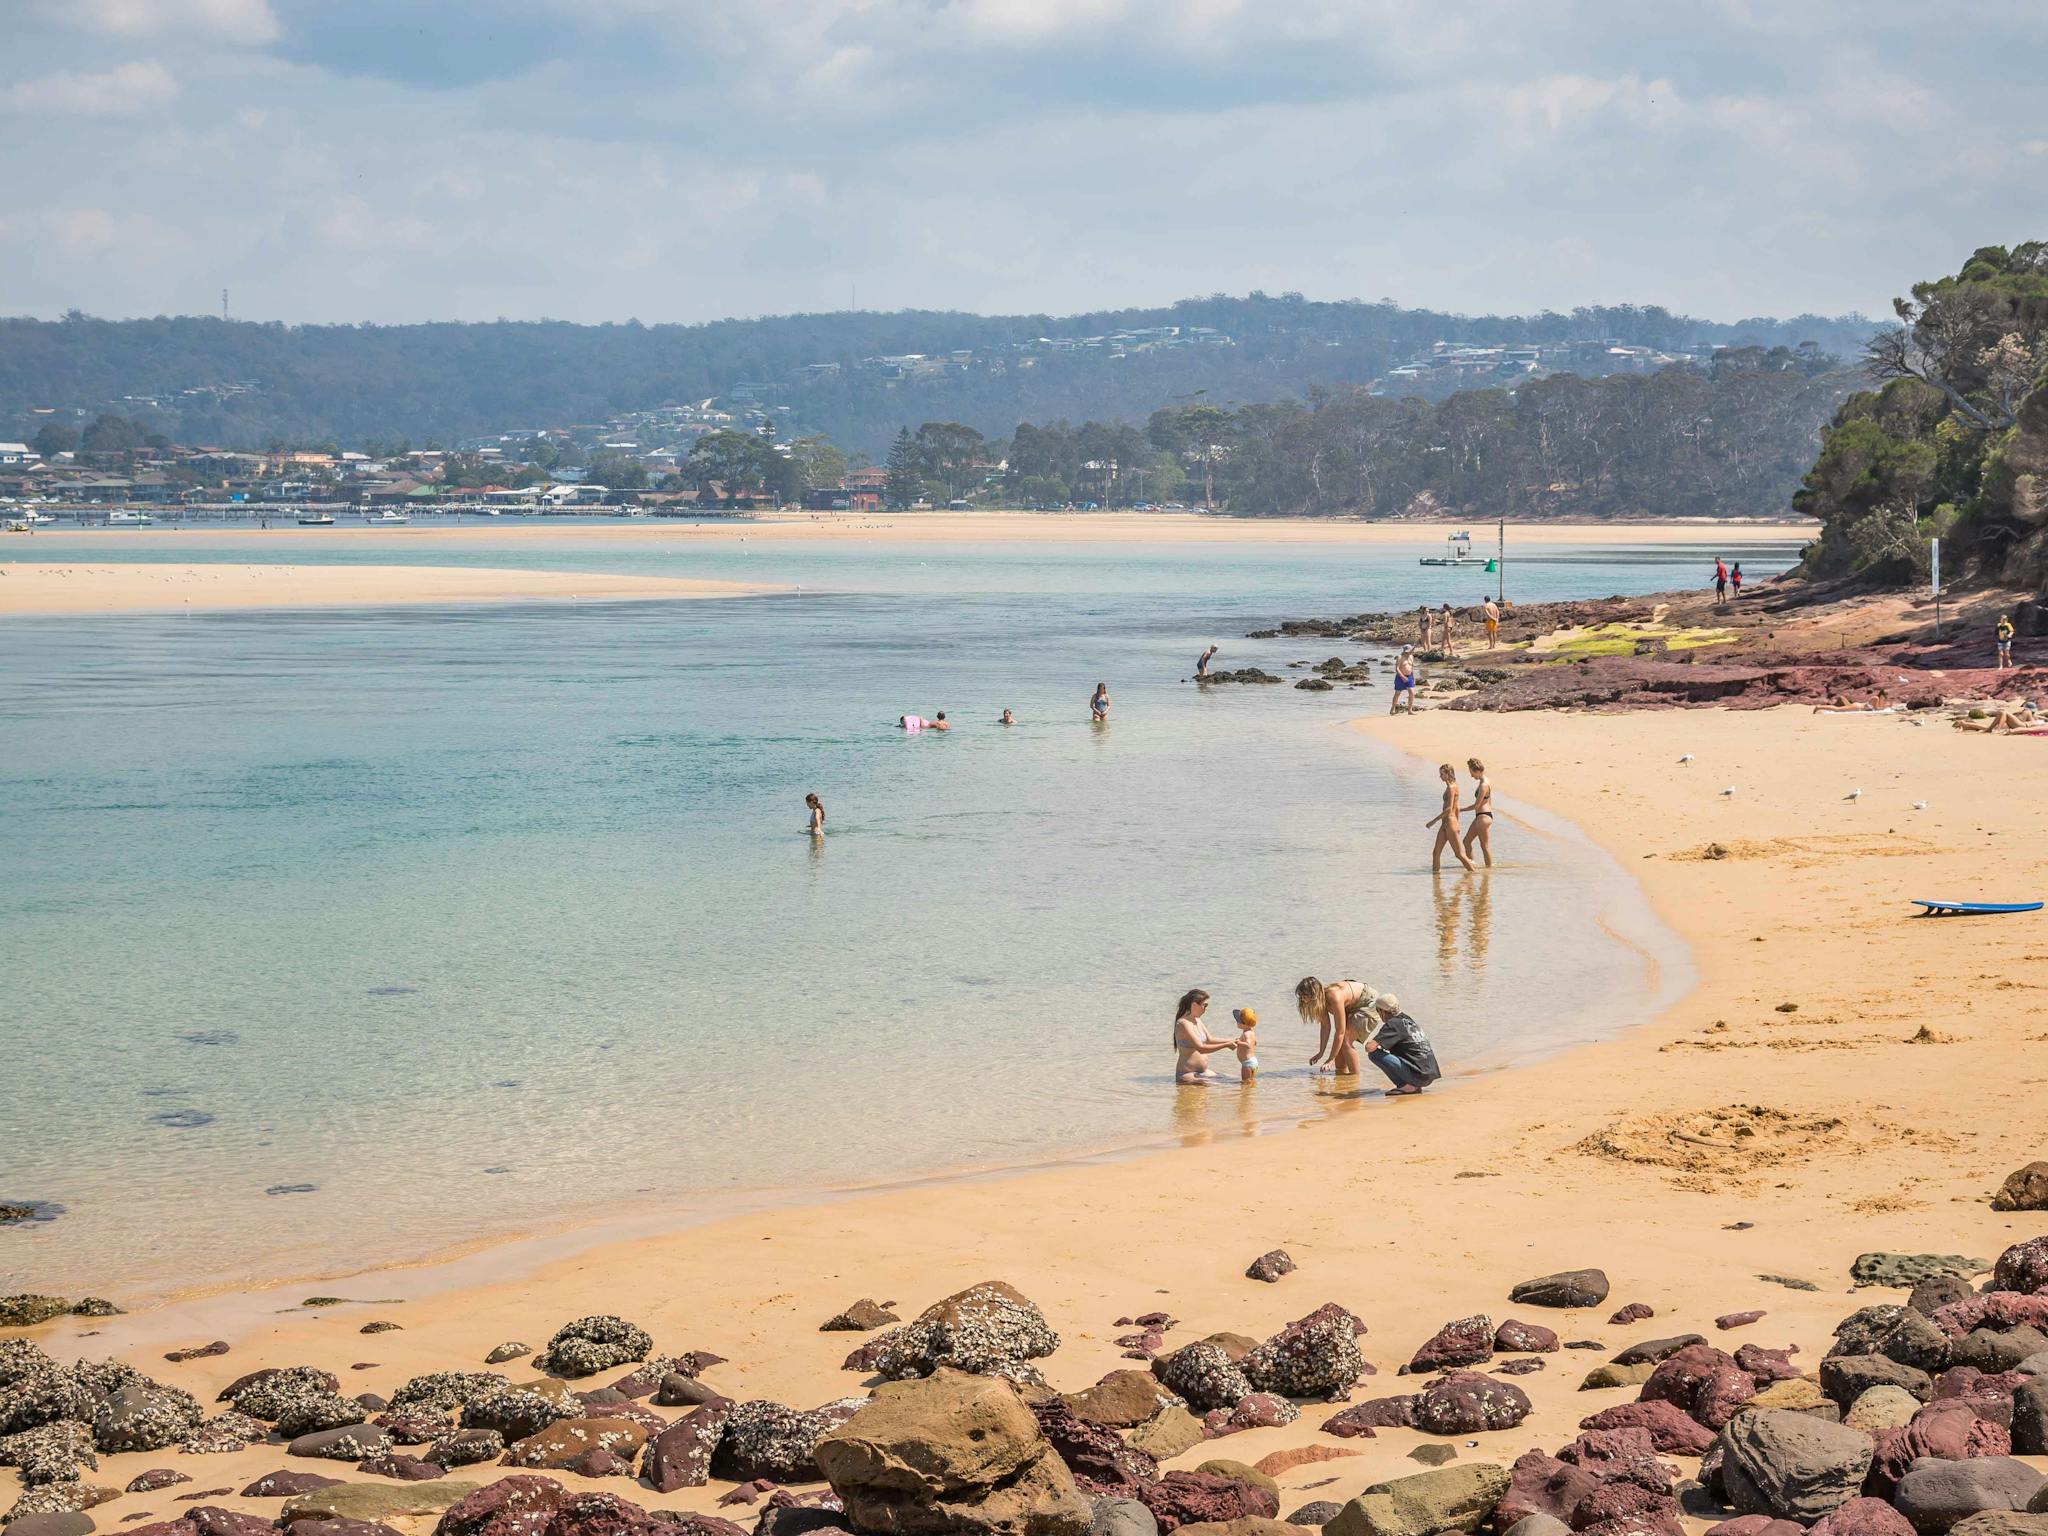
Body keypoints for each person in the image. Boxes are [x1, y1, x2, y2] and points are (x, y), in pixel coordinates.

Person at [1357, 991, 1442, 1096]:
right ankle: (1412, 1086)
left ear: (1382, 1011)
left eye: (1377, 1010)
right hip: (1429, 1074)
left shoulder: (1393, 1024)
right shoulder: (1407, 1019)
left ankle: (1406, 1086)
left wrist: (1371, 1042)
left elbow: (1369, 1047)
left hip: (1419, 1076)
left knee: (1374, 1054)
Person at [1296, 975, 1372, 1075]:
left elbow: (1340, 1031)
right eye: (1301, 997)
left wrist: (1330, 1059)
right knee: (1339, 1045)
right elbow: (1325, 1027)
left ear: (1314, 995)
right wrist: (1321, 1053)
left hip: (1368, 1002)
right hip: (1352, 1005)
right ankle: (1341, 1076)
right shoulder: (1320, 1001)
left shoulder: (1334, 997)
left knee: (1345, 1040)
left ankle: (1355, 1078)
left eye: (1304, 997)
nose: (1302, 1000)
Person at [1173, 989, 1243, 1083]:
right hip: (1187, 1074)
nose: (1206, 1008)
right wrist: (1226, 1045)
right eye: (1204, 1005)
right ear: (1194, 1005)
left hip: (1203, 1072)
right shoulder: (1183, 1024)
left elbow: (1210, 1039)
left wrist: (1232, 1040)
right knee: (1226, 1085)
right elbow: (1201, 1048)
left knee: (1237, 1080)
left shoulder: (1197, 1020)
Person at [1427, 762, 1477, 873]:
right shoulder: (1451, 786)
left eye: (1442, 774)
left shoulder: (1451, 788)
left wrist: (1433, 821)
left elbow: (1449, 808)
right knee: (1436, 853)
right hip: (1445, 823)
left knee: (1459, 854)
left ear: (1447, 773)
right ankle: (1436, 880)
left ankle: (1473, 875)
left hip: (1450, 823)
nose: (1440, 776)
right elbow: (1457, 807)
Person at [1461, 757, 1494, 868]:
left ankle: (1488, 871)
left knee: (1484, 846)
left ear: (1477, 771)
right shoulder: (1485, 781)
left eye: (1472, 773)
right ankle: (1472, 866)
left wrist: (1460, 809)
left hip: (1483, 817)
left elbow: (1476, 806)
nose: (1471, 776)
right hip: (1482, 816)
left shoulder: (1484, 785)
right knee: (1466, 842)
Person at [1231, 1007, 1258, 1082]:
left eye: (1238, 1021)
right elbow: (1255, 1042)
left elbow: (1248, 1044)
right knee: (1250, 1081)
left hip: (1247, 1064)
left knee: (1245, 1082)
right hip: (1253, 1062)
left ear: (1243, 1024)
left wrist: (1238, 1042)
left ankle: (1247, 1090)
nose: (1237, 1022)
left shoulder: (1246, 1034)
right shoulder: (1251, 1032)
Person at [1389, 646, 1418, 715]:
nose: (1408, 653)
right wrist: (1402, 677)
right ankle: (1392, 709)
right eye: (1406, 652)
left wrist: (1413, 678)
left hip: (1409, 677)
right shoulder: (1400, 657)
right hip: (1400, 677)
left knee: (1411, 693)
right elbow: (1397, 668)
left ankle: (1410, 710)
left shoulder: (1411, 657)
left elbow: (1411, 668)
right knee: (1397, 693)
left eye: (1409, 652)